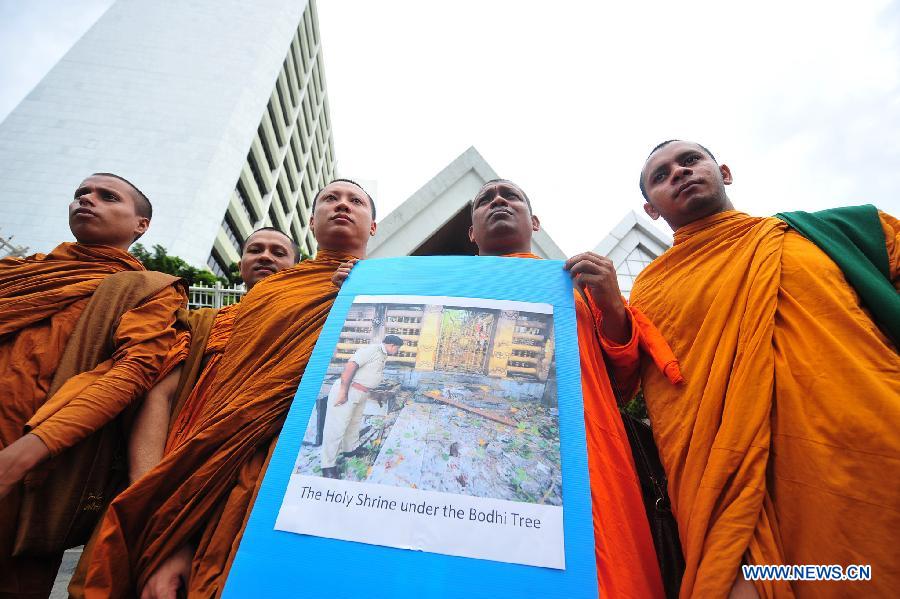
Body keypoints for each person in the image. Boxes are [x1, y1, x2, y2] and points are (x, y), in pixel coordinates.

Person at [81, 179, 377, 599]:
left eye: (355, 200)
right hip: (212, 456)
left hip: (297, 471)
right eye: (330, 198)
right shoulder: (245, 308)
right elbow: (172, 395)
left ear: (374, 226)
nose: (342, 205)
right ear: (312, 221)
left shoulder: (377, 293)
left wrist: (362, 295)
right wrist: (162, 513)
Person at [634, 140, 900, 598]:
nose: (678, 172)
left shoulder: (831, 233)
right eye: (661, 175)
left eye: (690, 160)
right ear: (651, 210)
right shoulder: (649, 291)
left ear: (725, 172)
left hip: (873, 455)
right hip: (735, 496)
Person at [466, 179, 684, 598]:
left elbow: (622, 381)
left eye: (510, 195)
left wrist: (612, 303)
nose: (497, 201)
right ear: (472, 233)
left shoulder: (577, 286)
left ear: (535, 221)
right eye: (485, 200)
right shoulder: (435, 287)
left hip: (587, 462)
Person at [0, 173, 186, 598]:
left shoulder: (149, 290)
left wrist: (24, 455)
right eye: (81, 194)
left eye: (108, 196)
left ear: (141, 225)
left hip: (33, 464)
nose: (87, 200)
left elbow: (133, 372)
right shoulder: (20, 274)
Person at [320, 335, 403, 478]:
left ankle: (349, 449)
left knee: (354, 423)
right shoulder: (372, 350)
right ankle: (327, 465)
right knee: (336, 428)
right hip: (349, 390)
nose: (398, 351)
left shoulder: (383, 355)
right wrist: (343, 392)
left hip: (361, 393)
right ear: (392, 346)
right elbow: (350, 366)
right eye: (398, 348)